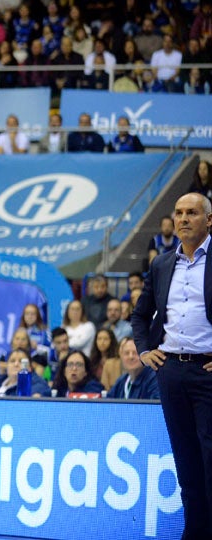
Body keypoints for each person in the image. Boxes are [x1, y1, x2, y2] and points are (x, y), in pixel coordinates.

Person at [132, 193, 212, 537]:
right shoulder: (162, 264)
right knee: (186, 462)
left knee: (210, 462)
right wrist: (144, 351)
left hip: (207, 374)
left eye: (192, 213)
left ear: (208, 220)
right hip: (170, 373)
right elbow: (139, 315)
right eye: (178, 213)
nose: (183, 218)